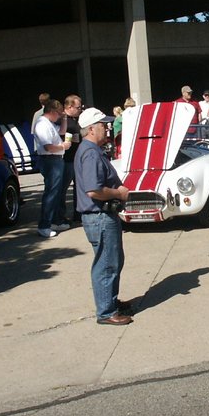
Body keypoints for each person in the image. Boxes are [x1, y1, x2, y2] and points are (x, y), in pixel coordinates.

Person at [74, 107, 133, 326]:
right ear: (91, 129)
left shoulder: (91, 150)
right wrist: (119, 193)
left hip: (100, 215)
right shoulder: (90, 153)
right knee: (107, 264)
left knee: (112, 260)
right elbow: (94, 190)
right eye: (102, 125)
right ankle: (107, 311)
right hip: (99, 215)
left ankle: (110, 301)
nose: (107, 127)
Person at [34, 99, 70, 238]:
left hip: (55, 159)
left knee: (55, 192)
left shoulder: (48, 123)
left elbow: (62, 131)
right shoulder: (42, 124)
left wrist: (64, 118)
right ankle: (44, 225)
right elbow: (48, 147)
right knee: (51, 192)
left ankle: (54, 221)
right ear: (53, 111)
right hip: (50, 160)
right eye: (59, 113)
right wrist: (62, 147)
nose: (60, 116)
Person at [59, 94, 84, 225]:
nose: (80, 109)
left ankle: (78, 213)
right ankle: (59, 216)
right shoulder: (62, 119)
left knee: (79, 187)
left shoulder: (76, 119)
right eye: (78, 107)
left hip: (76, 157)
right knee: (62, 188)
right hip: (66, 159)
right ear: (69, 107)